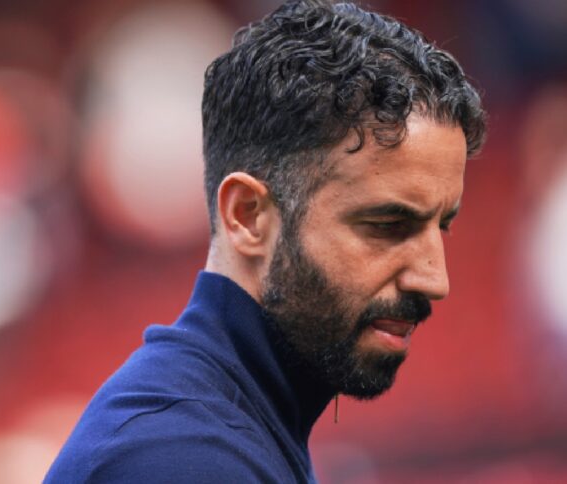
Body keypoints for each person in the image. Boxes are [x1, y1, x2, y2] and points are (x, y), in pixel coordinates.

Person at [45, 0, 487, 482]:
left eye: (440, 225)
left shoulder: (232, 424)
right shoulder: (180, 460)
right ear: (248, 216)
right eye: (386, 225)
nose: (434, 279)